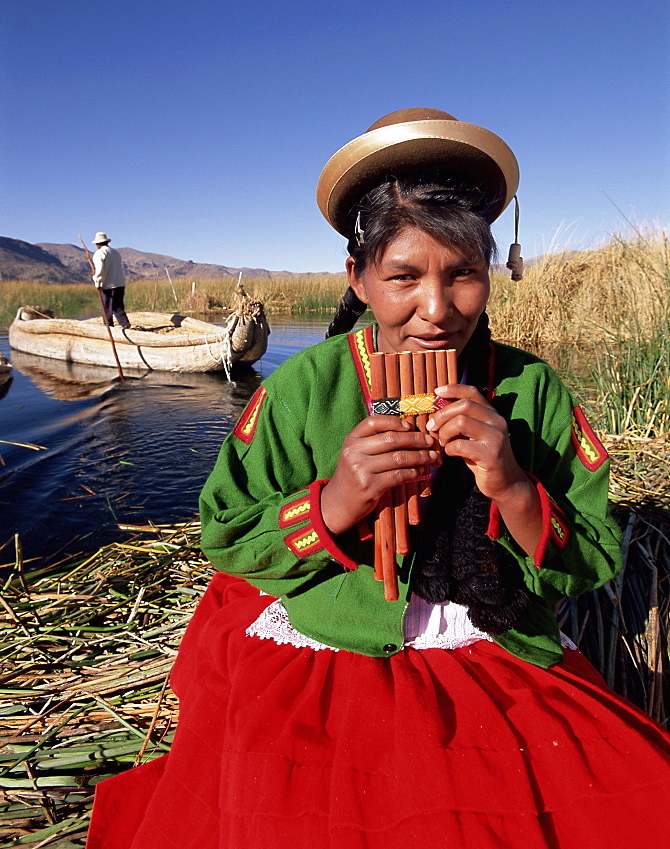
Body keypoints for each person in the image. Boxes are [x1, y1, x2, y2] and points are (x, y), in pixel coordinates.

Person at [86, 109, 670, 849]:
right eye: (403, 278)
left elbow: (593, 556)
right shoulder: (303, 388)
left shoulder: (533, 389)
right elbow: (227, 531)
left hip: (495, 641)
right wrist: (333, 503)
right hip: (338, 641)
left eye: (464, 275)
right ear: (358, 279)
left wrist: (514, 486)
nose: (435, 310)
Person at [91, 232, 131, 329]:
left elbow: (100, 270)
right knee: (118, 306)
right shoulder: (115, 253)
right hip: (120, 284)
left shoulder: (99, 253)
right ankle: (125, 324)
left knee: (106, 308)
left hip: (108, 285)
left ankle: (109, 327)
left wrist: (97, 281)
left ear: (98, 244)